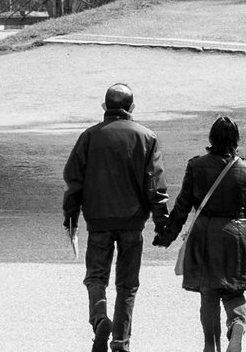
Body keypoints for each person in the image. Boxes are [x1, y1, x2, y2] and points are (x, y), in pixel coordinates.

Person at [64, 83, 169, 352]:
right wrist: (161, 224)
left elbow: (74, 181)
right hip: (133, 221)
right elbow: (154, 186)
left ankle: (99, 319)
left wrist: (72, 217)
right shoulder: (146, 137)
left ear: (104, 108)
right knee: (127, 284)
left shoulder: (89, 137)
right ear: (131, 108)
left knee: (96, 277)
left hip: (98, 220)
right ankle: (121, 341)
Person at [155, 116, 246, 352]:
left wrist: (167, 235)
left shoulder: (196, 166)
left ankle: (210, 345)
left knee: (209, 293)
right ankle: (237, 325)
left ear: (211, 139)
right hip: (237, 233)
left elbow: (183, 205)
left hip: (205, 235)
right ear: (236, 139)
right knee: (235, 292)